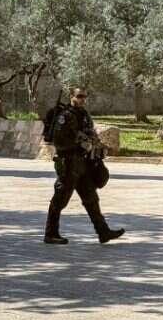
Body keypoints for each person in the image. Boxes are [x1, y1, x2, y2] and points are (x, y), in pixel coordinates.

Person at [43, 87, 124, 245]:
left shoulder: (84, 114)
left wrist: (96, 145)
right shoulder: (64, 116)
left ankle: (103, 232)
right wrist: (79, 143)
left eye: (84, 97)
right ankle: (51, 233)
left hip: (84, 163)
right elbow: (60, 141)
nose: (82, 99)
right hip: (68, 163)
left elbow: (91, 133)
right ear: (71, 96)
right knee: (60, 199)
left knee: (91, 198)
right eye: (79, 96)